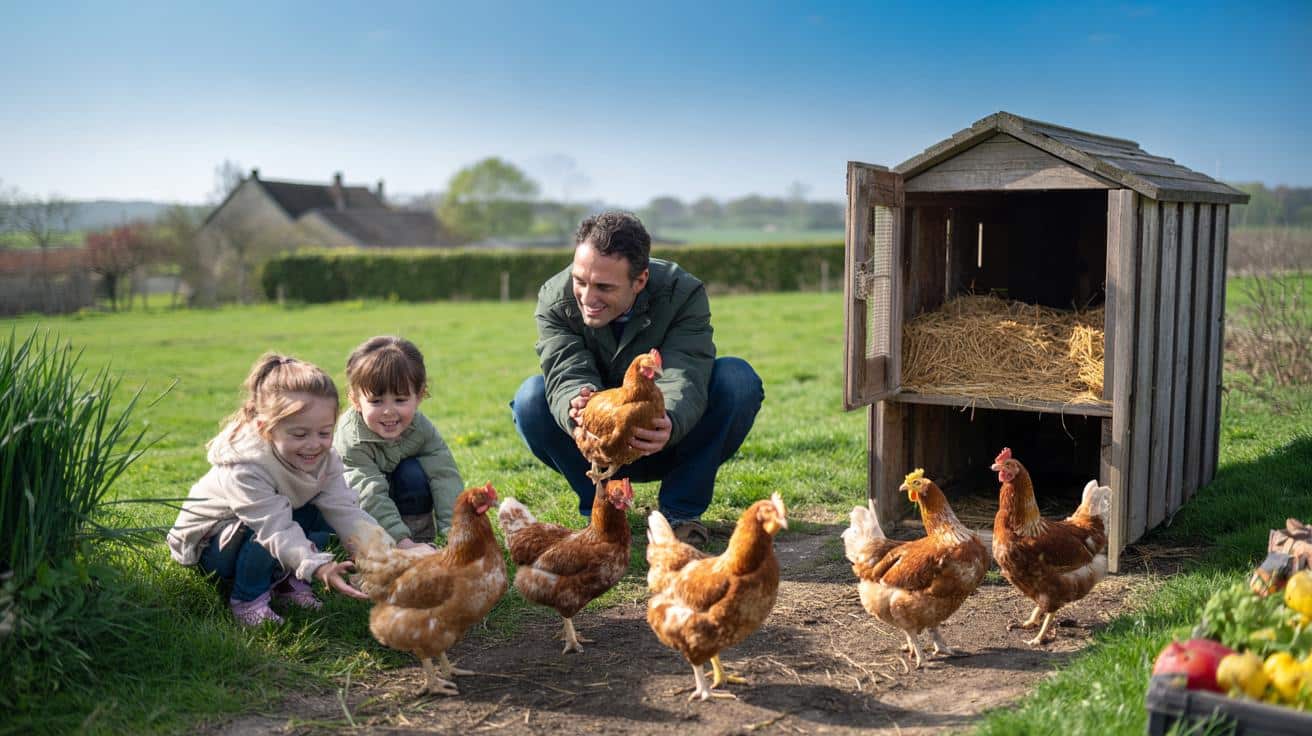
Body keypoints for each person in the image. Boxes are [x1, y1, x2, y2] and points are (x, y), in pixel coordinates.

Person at [510, 211, 764, 548]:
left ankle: (680, 516)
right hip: (597, 446)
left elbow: (685, 368)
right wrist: (578, 402)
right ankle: (600, 512)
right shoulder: (555, 298)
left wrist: (669, 420)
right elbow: (563, 365)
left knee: (737, 379)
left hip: (666, 440)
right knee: (530, 398)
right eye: (580, 281)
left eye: (604, 287)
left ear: (640, 280)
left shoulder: (682, 292)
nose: (587, 297)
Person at [167, 353, 383, 626]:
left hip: (264, 526)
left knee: (318, 512)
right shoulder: (246, 466)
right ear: (265, 429)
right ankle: (248, 599)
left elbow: (345, 509)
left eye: (324, 433)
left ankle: (283, 581)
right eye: (300, 434)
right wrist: (318, 566)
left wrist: (383, 552)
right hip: (212, 548)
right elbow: (274, 528)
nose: (314, 444)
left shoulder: (323, 459)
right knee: (274, 522)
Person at [334, 336, 463, 546]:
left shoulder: (421, 429)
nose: (388, 411)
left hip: (399, 495)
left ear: (420, 395)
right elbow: (368, 493)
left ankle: (420, 536)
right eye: (376, 401)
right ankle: (397, 542)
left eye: (400, 400)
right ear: (356, 400)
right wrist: (401, 542)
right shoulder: (351, 439)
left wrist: (455, 532)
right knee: (360, 497)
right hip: (360, 510)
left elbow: (445, 476)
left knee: (413, 472)